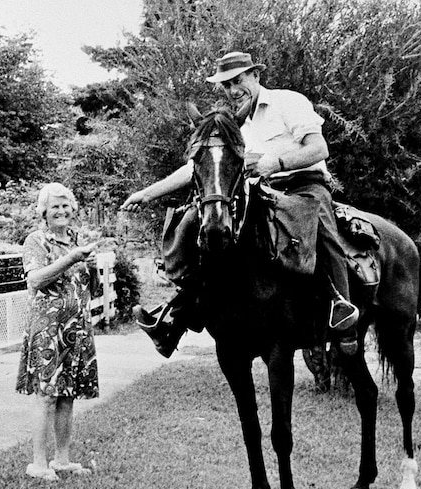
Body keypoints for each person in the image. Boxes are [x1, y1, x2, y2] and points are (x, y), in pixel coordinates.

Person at [122, 51, 360, 356]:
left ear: (255, 76)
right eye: (226, 85)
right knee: (206, 227)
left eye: (238, 80)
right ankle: (177, 315)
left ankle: (342, 310)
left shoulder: (288, 101)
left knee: (320, 226)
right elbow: (197, 166)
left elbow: (319, 148)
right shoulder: (234, 124)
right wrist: (147, 193)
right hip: (261, 191)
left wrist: (275, 163)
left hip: (304, 185)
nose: (233, 90)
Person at [16, 182, 100, 481]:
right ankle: (38, 464)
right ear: (44, 212)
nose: (61, 211)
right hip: (48, 328)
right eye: (55, 206)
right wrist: (72, 259)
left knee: (68, 394)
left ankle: (61, 460)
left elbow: (92, 287)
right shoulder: (36, 240)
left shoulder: (77, 240)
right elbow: (35, 280)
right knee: (47, 395)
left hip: (76, 326)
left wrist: (91, 265)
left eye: (65, 205)